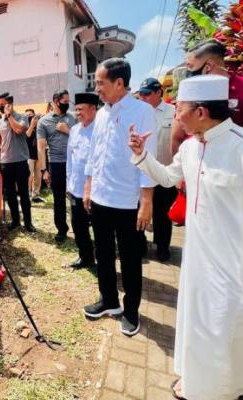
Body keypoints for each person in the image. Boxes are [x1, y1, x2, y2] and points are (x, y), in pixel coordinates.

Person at [129, 74, 243, 400]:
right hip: (199, 261)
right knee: (200, 328)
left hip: (236, 268)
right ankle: (201, 385)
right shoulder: (189, 148)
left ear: (200, 111)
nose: (175, 116)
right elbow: (170, 178)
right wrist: (142, 155)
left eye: (180, 109)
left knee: (237, 333)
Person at [81, 58, 157, 336]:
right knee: (102, 252)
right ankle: (109, 301)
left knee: (130, 258)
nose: (97, 88)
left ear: (119, 83)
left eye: (101, 83)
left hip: (127, 201)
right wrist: (88, 187)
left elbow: (149, 158)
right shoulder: (101, 113)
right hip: (100, 198)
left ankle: (131, 310)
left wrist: (146, 201)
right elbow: (94, 153)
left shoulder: (142, 111)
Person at [172, 39, 243, 159]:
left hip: (237, 172)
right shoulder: (187, 94)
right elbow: (177, 138)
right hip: (195, 171)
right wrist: (183, 173)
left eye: (190, 67)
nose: (188, 73)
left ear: (208, 66)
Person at [138, 78, 177, 262]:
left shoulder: (173, 112)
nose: (143, 97)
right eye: (141, 94)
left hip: (164, 171)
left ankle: (162, 246)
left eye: (147, 94)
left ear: (159, 92)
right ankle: (141, 243)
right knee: (140, 209)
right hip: (142, 171)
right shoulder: (138, 112)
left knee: (162, 213)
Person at [37, 90, 77, 242]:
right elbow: (40, 148)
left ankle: (79, 227)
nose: (67, 104)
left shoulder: (73, 118)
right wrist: (44, 170)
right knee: (59, 199)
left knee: (76, 198)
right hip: (56, 164)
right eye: (65, 101)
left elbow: (84, 137)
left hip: (74, 163)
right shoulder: (44, 122)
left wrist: (68, 130)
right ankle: (61, 229)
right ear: (56, 101)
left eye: (68, 101)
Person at [65, 92, 99, 269]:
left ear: (93, 109)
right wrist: (68, 183)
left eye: (81, 109)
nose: (78, 113)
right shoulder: (75, 130)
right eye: (76, 109)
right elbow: (70, 158)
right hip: (76, 188)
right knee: (78, 227)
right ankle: (85, 257)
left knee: (100, 231)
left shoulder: (101, 129)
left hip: (96, 191)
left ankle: (103, 261)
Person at [0, 92, 35, 232]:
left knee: (23, 193)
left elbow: (18, 130)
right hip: (6, 163)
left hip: (20, 162)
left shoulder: (22, 117)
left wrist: (9, 115)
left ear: (10, 104)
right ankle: (16, 221)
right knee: (10, 194)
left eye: (3, 105)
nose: (1, 108)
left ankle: (28, 222)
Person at [24, 108, 43, 203]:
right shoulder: (25, 126)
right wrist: (32, 125)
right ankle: (26, 195)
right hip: (28, 154)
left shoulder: (39, 125)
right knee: (29, 176)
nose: (29, 117)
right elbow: (26, 135)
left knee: (38, 176)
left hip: (38, 154)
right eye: (27, 115)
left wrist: (39, 120)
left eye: (31, 115)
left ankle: (35, 195)